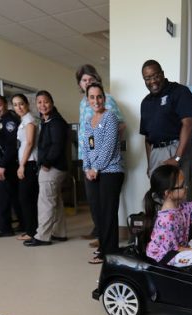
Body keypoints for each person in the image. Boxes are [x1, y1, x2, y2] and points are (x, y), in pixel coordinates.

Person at [75, 64, 126, 246]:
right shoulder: (89, 120)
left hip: (109, 169)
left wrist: (96, 167)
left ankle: (108, 250)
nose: (95, 101)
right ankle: (103, 246)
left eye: (99, 97)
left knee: (107, 211)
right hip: (93, 168)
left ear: (104, 98)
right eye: (92, 98)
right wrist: (87, 167)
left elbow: (108, 145)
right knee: (97, 208)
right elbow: (88, 144)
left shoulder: (110, 115)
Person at [23, 90, 68, 247]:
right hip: (55, 166)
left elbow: (57, 145)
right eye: (39, 102)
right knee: (55, 201)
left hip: (52, 167)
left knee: (45, 202)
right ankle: (59, 232)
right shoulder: (46, 120)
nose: (43, 105)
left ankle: (42, 236)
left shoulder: (56, 122)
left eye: (46, 101)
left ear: (52, 103)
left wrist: (46, 163)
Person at [140, 59, 192, 178]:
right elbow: (147, 138)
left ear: (163, 74)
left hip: (177, 149)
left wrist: (177, 157)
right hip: (156, 154)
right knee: (158, 195)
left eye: (155, 76)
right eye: (148, 78)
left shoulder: (180, 91)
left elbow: (188, 124)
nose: (153, 81)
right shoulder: (145, 102)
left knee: (179, 194)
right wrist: (150, 164)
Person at [0, 94, 21, 238]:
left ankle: (4, 227)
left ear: (6, 105)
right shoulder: (2, 120)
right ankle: (23, 223)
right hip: (8, 163)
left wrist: (3, 165)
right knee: (14, 196)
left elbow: (11, 146)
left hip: (9, 164)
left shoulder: (9, 121)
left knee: (1, 197)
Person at [12, 93, 40, 241]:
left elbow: (29, 143)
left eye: (21, 104)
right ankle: (31, 229)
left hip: (29, 163)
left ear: (27, 105)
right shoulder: (23, 120)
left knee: (26, 198)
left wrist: (21, 165)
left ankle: (32, 231)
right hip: (25, 162)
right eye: (15, 105)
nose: (19, 107)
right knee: (27, 198)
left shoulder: (29, 120)